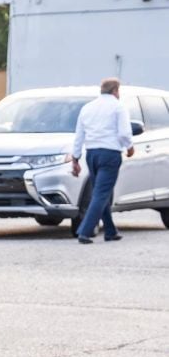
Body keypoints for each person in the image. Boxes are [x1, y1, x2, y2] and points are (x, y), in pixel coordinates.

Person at [69, 77, 135, 244]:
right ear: (115, 91)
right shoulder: (118, 107)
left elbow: (79, 136)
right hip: (110, 154)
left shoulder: (87, 108)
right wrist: (130, 147)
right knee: (101, 193)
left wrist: (75, 159)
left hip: (91, 154)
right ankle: (84, 231)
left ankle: (110, 231)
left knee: (101, 190)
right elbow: (124, 133)